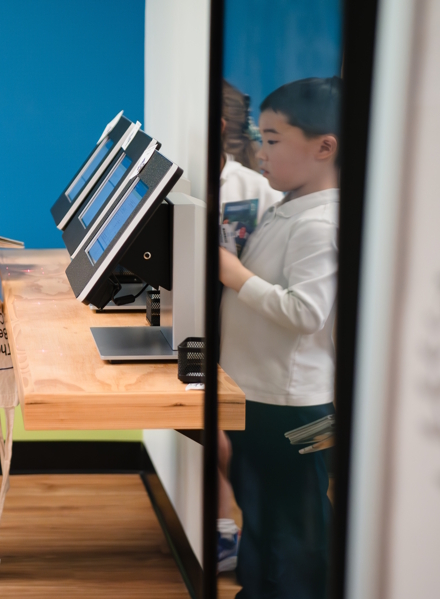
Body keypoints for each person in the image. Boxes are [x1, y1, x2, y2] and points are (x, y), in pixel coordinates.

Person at [219, 76, 342, 599]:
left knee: (295, 531)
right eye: (259, 137)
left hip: (294, 407)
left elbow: (304, 312)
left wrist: (233, 274)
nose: (259, 152)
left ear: (323, 147)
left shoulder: (320, 224)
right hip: (260, 397)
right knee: (265, 516)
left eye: (272, 140)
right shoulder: (286, 207)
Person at [216, 80, 285, 573]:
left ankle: (239, 535)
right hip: (208, 323)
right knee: (215, 430)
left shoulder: (254, 189)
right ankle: (229, 531)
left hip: (248, 331)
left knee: (235, 437)